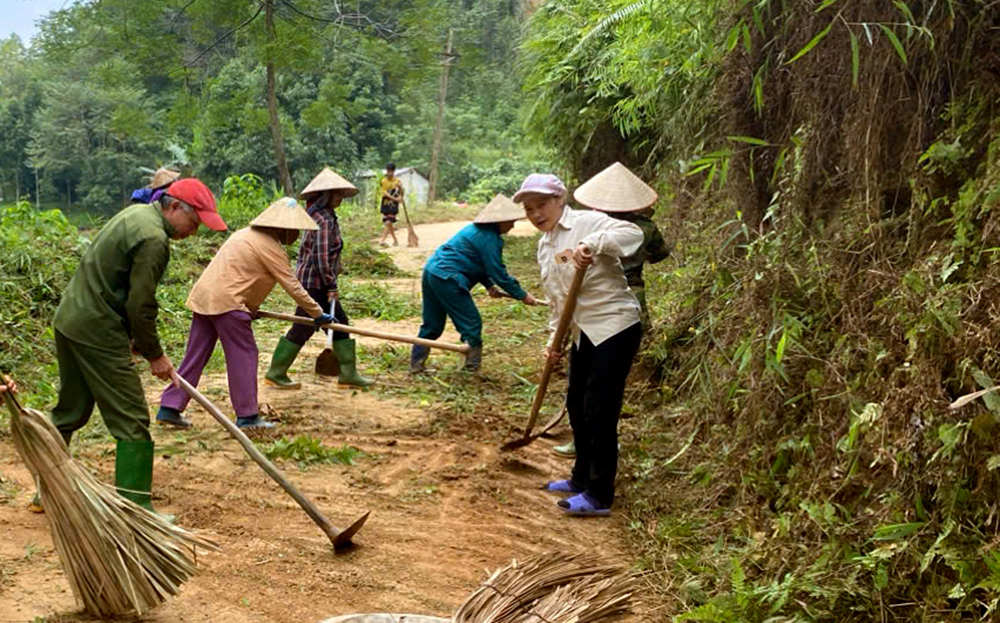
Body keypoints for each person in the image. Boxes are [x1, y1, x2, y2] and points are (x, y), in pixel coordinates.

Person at [34, 178, 227, 517]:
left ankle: (46, 492)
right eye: (193, 223)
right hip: (96, 328)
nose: (192, 233)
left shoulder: (134, 215)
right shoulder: (154, 239)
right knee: (132, 418)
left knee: (71, 410)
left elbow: (117, 286)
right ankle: (135, 508)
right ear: (173, 207)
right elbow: (141, 304)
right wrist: (154, 354)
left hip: (71, 319)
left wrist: (136, 338)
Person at [513, 171, 646, 517]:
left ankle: (599, 494)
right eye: (529, 209)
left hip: (615, 325)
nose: (536, 213)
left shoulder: (587, 222)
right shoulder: (545, 245)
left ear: (560, 200)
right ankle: (580, 477)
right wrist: (554, 339)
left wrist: (592, 245)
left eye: (541, 204)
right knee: (576, 403)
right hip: (582, 332)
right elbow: (559, 299)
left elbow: (633, 234)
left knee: (599, 409)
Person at [157, 198, 335, 430]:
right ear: (283, 228)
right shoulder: (270, 247)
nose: (295, 235)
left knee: (195, 356)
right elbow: (292, 285)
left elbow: (239, 274)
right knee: (245, 354)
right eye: (294, 230)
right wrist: (318, 314)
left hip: (206, 299)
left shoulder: (244, 235)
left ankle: (169, 407)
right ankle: (248, 416)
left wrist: (250, 308)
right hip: (228, 304)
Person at [550, 162, 669, 459]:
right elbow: (660, 256)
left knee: (599, 386)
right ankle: (591, 439)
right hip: (625, 294)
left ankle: (596, 443)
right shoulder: (643, 226)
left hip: (608, 302)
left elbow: (568, 260)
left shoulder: (599, 226)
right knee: (598, 380)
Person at [265, 168, 375, 389]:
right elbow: (320, 257)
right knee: (323, 325)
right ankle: (277, 373)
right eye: (337, 195)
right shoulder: (323, 219)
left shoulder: (321, 216)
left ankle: (345, 373)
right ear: (326, 196)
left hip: (313, 282)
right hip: (315, 284)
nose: (340, 199)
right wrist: (330, 284)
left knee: (327, 325)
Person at [410, 194, 539, 374]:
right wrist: (522, 294)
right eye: (511, 221)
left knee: (432, 325)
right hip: (449, 277)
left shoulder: (474, 231)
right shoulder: (490, 238)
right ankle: (471, 370)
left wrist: (489, 285)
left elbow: (479, 264)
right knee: (471, 324)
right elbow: (498, 272)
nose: (512, 226)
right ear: (499, 221)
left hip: (432, 271)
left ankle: (416, 366)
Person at [378, 163, 404, 247]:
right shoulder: (383, 181)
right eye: (389, 171)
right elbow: (384, 193)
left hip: (393, 205)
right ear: (387, 171)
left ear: (394, 171)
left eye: (392, 171)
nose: (390, 173)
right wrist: (395, 199)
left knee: (388, 222)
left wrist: (400, 191)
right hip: (386, 203)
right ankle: (395, 240)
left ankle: (382, 240)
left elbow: (401, 193)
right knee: (388, 223)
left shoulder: (397, 181)